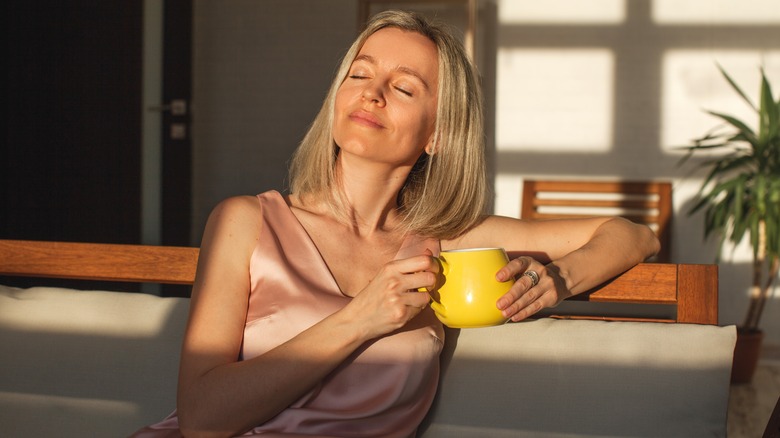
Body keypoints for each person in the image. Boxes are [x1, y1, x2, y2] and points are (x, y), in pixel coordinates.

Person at [132, 10, 659, 438]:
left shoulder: (448, 242)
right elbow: (202, 419)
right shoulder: (245, 221)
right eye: (359, 74)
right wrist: (360, 318)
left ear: (437, 134)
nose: (372, 92)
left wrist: (558, 280)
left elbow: (634, 234)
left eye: (403, 88)